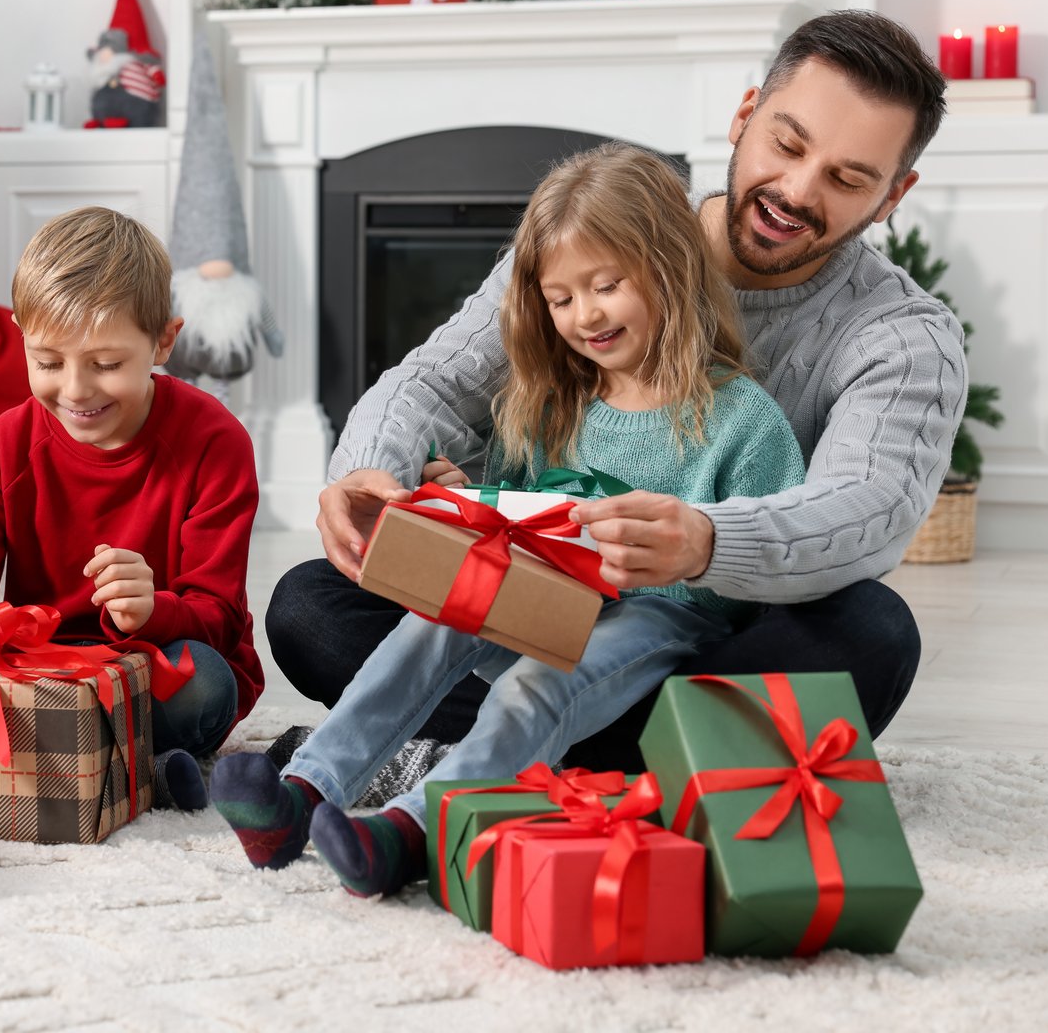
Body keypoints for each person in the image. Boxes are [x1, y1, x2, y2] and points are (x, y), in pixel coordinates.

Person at [265, 10, 965, 778]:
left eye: (847, 178)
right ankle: (656, 767)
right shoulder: (600, 233)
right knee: (311, 604)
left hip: (706, 637)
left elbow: (867, 511)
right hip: (538, 619)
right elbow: (435, 380)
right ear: (743, 118)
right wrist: (372, 474)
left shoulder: (903, 336)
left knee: (872, 631)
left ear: (894, 195)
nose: (795, 190)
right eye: (787, 144)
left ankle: (472, 754)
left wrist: (704, 543)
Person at [213, 145, 808, 894]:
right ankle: (303, 792)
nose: (584, 315)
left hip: (662, 623)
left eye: (606, 286)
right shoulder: (560, 401)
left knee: (534, 687)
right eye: (562, 299)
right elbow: (526, 517)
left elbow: (769, 567)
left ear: (671, 269)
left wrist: (683, 554)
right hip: (555, 602)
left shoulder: (742, 419)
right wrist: (470, 497)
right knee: (437, 617)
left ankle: (420, 827)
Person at [0, 207, 262, 810]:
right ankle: (132, 766)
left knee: (202, 684)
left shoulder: (215, 442)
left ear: (164, 340)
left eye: (106, 365)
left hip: (151, 662)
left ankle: (129, 763)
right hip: (40, 667)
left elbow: (219, 617)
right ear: (21, 333)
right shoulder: (4, 442)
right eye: (48, 362)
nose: (75, 390)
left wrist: (150, 610)